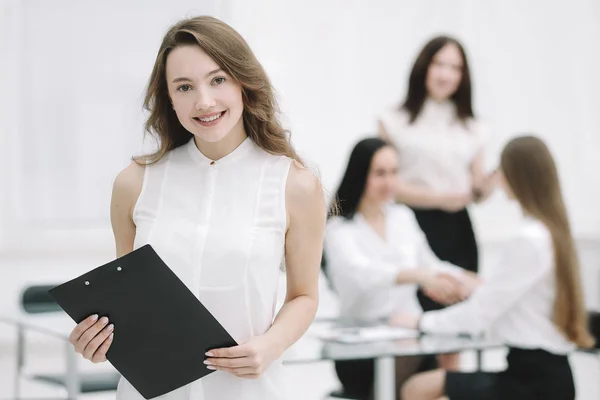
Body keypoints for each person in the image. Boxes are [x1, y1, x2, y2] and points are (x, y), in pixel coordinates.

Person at [66, 16, 326, 400]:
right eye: (184, 87)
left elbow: (304, 296)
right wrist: (98, 339)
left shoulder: (295, 184)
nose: (204, 101)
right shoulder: (135, 183)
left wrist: (271, 346)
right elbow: (130, 301)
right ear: (169, 98)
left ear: (243, 82)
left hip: (249, 391)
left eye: (218, 79)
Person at [392, 135, 595, 400]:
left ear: (516, 176)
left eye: (501, 170)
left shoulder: (529, 239)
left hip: (529, 384)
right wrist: (475, 288)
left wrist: (419, 321)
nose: (497, 178)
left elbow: (481, 315)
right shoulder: (551, 234)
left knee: (416, 389)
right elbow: (516, 299)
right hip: (546, 377)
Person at [324, 137, 479, 399]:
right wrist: (419, 276)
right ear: (361, 174)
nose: (389, 182)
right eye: (380, 173)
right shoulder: (339, 229)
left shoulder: (402, 217)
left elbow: (431, 264)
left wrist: (466, 279)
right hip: (363, 351)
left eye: (394, 172)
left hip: (411, 341)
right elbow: (361, 275)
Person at [378, 35, 495, 369]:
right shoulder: (394, 120)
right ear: (424, 68)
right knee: (412, 321)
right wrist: (440, 198)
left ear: (464, 76)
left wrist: (493, 183)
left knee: (453, 324)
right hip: (411, 225)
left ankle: (447, 385)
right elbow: (388, 185)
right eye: (439, 64)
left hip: (458, 230)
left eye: (455, 67)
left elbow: (477, 189)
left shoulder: (473, 127)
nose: (446, 74)